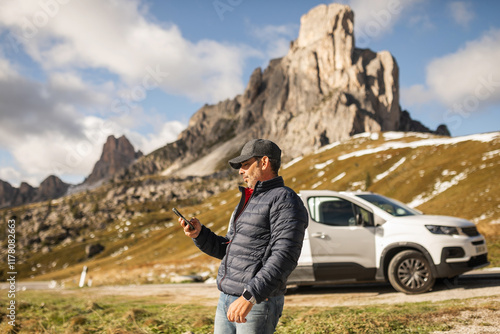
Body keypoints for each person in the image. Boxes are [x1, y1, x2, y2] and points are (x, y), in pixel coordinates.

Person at [178, 138, 308, 333]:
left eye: (246, 165)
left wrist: (250, 296)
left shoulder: (286, 200)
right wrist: (200, 234)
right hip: (227, 299)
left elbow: (285, 256)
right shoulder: (248, 200)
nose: (240, 171)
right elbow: (231, 249)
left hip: (256, 302)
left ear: (264, 162)